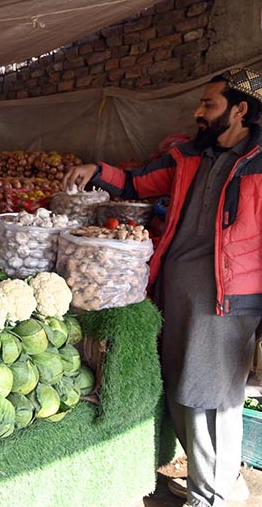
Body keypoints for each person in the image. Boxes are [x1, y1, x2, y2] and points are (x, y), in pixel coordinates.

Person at [63, 68, 262, 507]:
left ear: (241, 109)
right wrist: (97, 169)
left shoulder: (259, 164)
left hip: (226, 302)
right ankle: (218, 480)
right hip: (175, 292)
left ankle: (210, 495)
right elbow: (137, 182)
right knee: (180, 388)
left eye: (209, 104)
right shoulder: (189, 156)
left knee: (211, 397)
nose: (198, 112)